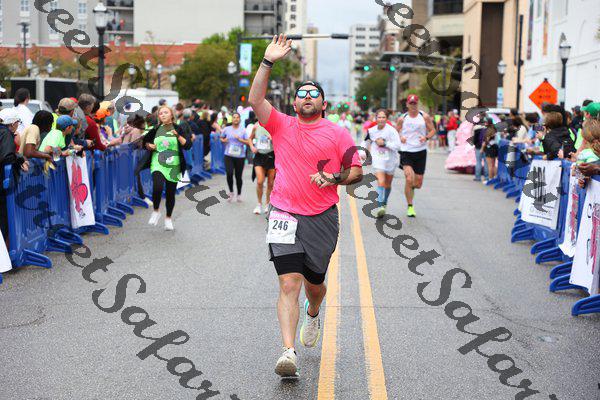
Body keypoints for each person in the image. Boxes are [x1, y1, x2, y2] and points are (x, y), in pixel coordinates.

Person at [248, 34, 362, 378]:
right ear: (294, 104)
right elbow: (255, 99)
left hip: (321, 218)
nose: (307, 97)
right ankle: (288, 351)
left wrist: (334, 178)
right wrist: (267, 61)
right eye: (302, 94)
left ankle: (313, 312)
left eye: (314, 94)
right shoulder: (280, 124)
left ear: (324, 104)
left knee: (314, 284)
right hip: (283, 213)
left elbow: (356, 171)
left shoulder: (338, 134)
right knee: (288, 283)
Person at [143, 106, 192, 230]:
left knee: (170, 193)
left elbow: (188, 145)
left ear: (171, 115)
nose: (163, 115)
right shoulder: (155, 129)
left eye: (166, 112)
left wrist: (178, 136)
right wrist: (149, 145)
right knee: (157, 187)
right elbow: (144, 142)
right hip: (158, 163)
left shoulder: (178, 128)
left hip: (173, 165)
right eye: (161, 113)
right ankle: (156, 211)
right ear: (158, 116)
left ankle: (168, 218)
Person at [396, 94, 436, 217]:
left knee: (417, 184)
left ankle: (411, 188)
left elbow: (433, 130)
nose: (413, 105)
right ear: (407, 104)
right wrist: (400, 137)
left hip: (420, 151)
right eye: (411, 103)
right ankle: (410, 206)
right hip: (406, 151)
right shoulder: (402, 118)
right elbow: (395, 131)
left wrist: (426, 137)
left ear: (417, 104)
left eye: (415, 103)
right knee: (409, 178)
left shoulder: (424, 117)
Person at [0, 108, 29, 245]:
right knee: (3, 218)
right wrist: (19, 159)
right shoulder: (6, 134)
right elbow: (6, 156)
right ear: (12, 124)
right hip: (2, 183)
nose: (18, 125)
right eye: (18, 122)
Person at [366, 109, 401, 218]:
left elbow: (398, 146)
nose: (381, 119)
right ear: (376, 118)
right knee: (381, 181)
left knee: (387, 185)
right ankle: (380, 206)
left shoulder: (391, 131)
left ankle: (384, 202)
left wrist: (385, 143)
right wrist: (363, 153)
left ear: (387, 118)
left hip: (390, 160)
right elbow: (366, 141)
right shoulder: (371, 131)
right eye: (379, 117)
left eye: (383, 117)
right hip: (378, 159)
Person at [220, 113, 251, 202]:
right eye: (234, 117)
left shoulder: (243, 130)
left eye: (237, 117)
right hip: (228, 155)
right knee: (229, 173)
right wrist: (224, 140)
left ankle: (239, 194)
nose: (236, 119)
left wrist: (239, 139)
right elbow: (221, 138)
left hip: (240, 156)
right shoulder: (226, 129)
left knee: (238, 176)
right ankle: (231, 192)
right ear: (232, 119)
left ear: (239, 119)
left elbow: (248, 142)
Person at [249, 121, 275, 214]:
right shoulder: (256, 126)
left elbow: (282, 139)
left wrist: (273, 138)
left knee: (270, 183)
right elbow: (250, 138)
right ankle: (259, 204)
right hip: (259, 156)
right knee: (260, 181)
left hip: (271, 155)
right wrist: (252, 147)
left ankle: (267, 204)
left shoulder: (274, 125)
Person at [472, 115, 488, 182]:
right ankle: (486, 177)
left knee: (478, 162)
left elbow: (474, 139)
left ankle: (478, 177)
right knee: (486, 162)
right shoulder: (487, 128)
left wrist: (475, 144)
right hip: (486, 147)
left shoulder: (476, 128)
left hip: (478, 147)